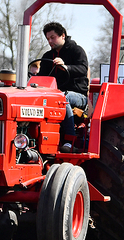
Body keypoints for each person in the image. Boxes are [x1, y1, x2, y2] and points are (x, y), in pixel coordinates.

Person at [37, 22, 89, 153]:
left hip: (78, 96)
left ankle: (69, 140)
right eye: (48, 39)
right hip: (53, 94)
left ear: (63, 36)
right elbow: (42, 76)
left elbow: (83, 69)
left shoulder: (76, 51)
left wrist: (66, 67)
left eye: (53, 37)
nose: (50, 41)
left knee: (61, 97)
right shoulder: (48, 56)